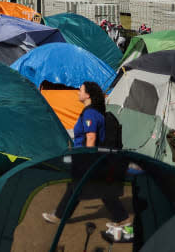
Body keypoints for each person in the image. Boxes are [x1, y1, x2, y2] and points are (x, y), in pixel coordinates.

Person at [43, 82, 131, 241]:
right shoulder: (94, 112)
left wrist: (87, 160)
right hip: (91, 158)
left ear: (88, 95)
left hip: (88, 159)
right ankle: (123, 219)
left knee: (78, 187)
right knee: (92, 189)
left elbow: (91, 138)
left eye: (81, 90)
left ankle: (59, 215)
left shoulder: (90, 114)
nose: (78, 92)